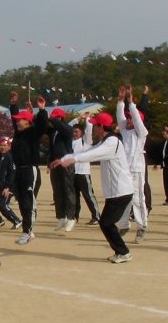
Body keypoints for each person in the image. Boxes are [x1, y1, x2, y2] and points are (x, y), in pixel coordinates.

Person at [50, 111, 134, 264]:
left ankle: (124, 252)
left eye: (95, 125)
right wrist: (65, 158)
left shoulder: (112, 142)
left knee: (106, 223)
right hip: (115, 192)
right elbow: (88, 151)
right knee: (106, 223)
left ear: (101, 127)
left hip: (121, 191)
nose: (94, 128)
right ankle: (121, 251)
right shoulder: (105, 141)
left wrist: (72, 159)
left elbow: (93, 154)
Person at [9, 92, 49, 244]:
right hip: (18, 170)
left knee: (28, 202)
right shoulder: (18, 134)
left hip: (30, 170)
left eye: (21, 121)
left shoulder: (32, 133)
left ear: (28, 122)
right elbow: (14, 121)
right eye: (18, 121)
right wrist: (13, 105)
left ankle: (27, 231)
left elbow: (42, 125)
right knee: (21, 201)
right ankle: (28, 230)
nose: (18, 123)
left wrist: (42, 110)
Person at [115, 85, 149, 242]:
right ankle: (123, 225)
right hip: (125, 171)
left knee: (137, 199)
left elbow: (136, 118)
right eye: (127, 118)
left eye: (131, 118)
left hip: (137, 170)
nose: (128, 120)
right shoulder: (125, 131)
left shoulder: (141, 133)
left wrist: (131, 102)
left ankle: (142, 227)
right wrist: (121, 101)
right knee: (123, 197)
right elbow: (119, 117)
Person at [46, 106, 77, 232]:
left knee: (68, 191)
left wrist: (53, 119)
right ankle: (61, 216)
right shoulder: (53, 132)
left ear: (60, 118)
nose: (52, 121)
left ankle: (71, 217)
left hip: (66, 163)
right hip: (55, 164)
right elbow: (51, 149)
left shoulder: (67, 129)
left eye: (55, 118)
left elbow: (61, 126)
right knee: (57, 191)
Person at [69, 116, 100, 225]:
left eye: (76, 131)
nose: (74, 133)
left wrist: (87, 118)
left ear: (81, 133)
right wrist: (77, 118)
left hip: (83, 173)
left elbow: (89, 129)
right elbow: (67, 127)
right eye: (73, 132)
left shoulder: (86, 142)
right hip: (73, 173)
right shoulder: (70, 141)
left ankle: (96, 216)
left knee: (88, 195)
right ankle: (74, 216)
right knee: (74, 197)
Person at [0, 136, 21, 229]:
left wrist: (7, 187)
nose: (2, 147)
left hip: (8, 187)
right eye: (1, 145)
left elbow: (12, 173)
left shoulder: (11, 157)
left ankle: (16, 221)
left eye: (5, 145)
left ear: (9, 146)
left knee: (2, 205)